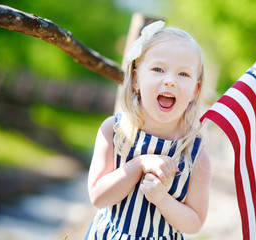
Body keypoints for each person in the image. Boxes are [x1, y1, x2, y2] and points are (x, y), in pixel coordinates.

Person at [84, 20, 211, 240]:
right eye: (158, 69)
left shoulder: (194, 154)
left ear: (195, 90)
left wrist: (162, 199)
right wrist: (138, 165)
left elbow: (195, 222)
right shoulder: (115, 132)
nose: (170, 80)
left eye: (183, 74)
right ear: (135, 79)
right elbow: (98, 197)